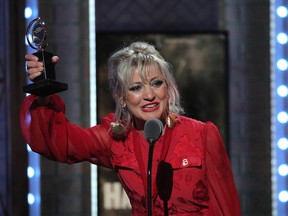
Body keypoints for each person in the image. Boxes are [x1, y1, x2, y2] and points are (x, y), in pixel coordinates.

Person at [21, 41, 241, 215]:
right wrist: (43, 92)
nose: (149, 95)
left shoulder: (202, 135)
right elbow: (58, 142)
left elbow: (227, 206)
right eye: (136, 87)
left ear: (168, 87)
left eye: (156, 83)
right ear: (122, 97)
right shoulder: (115, 137)